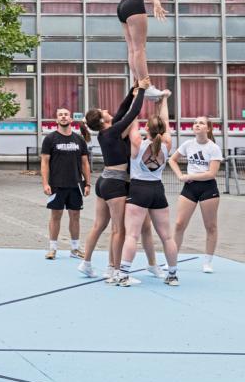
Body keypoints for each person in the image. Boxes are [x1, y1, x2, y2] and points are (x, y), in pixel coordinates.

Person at [80, 86, 165, 282]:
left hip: (104, 181)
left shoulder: (108, 132)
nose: (108, 111)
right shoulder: (112, 132)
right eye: (103, 112)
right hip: (115, 183)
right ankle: (118, 272)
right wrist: (142, 90)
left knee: (99, 225)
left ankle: (89, 263)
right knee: (119, 230)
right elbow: (132, 113)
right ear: (102, 120)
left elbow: (121, 110)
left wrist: (131, 91)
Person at [114, 92, 180, 287]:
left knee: (132, 235)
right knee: (167, 236)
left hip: (139, 189)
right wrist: (165, 99)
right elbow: (166, 122)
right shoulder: (167, 144)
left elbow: (132, 116)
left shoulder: (138, 143)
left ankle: (124, 274)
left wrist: (138, 96)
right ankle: (173, 275)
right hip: (157, 191)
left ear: (146, 129)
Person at [113, 0, 167, 100]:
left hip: (123, 6)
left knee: (132, 48)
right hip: (134, 3)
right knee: (139, 48)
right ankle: (146, 84)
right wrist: (156, 2)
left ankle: (138, 82)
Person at [169, 115, 222, 274]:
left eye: (201, 123)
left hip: (208, 189)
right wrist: (179, 175)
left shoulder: (213, 148)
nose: (197, 125)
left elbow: (211, 174)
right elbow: (172, 160)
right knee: (179, 224)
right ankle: (172, 261)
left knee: (210, 226)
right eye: (195, 123)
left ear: (208, 128)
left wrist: (190, 176)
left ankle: (208, 261)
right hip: (190, 188)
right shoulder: (188, 144)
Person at [40, 109, 91, 260]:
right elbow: (44, 162)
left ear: (70, 118)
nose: (63, 117)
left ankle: (75, 249)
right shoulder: (50, 139)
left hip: (75, 185)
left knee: (75, 216)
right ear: (56, 120)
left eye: (66, 114)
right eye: (60, 115)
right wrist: (45, 183)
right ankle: (52, 249)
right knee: (56, 215)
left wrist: (88, 183)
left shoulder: (79, 140)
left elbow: (85, 163)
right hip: (56, 185)